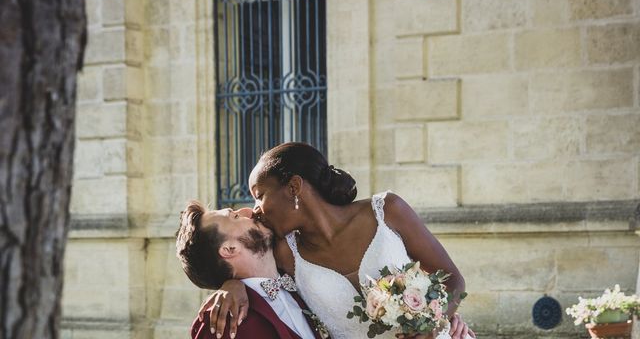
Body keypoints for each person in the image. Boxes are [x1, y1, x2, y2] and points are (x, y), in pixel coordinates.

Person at [201, 142, 475, 339]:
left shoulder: (387, 211)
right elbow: (249, 268)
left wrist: (436, 322)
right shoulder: (286, 253)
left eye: (259, 194)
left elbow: (452, 279)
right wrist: (231, 284)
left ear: (294, 188)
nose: (256, 209)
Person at [176, 200, 326, 339]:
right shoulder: (222, 323)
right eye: (235, 216)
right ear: (229, 249)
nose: (249, 211)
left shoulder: (302, 279)